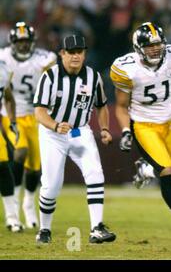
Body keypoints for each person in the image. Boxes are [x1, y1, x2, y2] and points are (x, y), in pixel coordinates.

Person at [110, 22, 171, 244]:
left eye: (158, 45)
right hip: (144, 126)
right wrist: (126, 130)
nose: (155, 50)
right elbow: (120, 106)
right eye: (149, 46)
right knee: (166, 171)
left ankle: (146, 167)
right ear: (138, 48)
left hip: (169, 125)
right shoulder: (127, 68)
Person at [33, 35, 115, 244]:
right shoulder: (50, 76)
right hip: (53, 134)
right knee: (51, 185)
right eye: (71, 52)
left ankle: (97, 227)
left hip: (80, 131)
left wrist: (104, 128)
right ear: (62, 54)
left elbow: (102, 105)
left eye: (80, 51)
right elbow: (39, 111)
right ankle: (44, 229)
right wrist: (54, 125)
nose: (76, 56)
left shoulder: (92, 76)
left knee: (95, 172)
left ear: (85, 53)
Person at [0, 22, 57, 229]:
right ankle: (13, 201)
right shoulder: (3, 58)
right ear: (13, 42)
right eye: (20, 41)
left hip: (36, 115)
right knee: (20, 151)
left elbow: (54, 76)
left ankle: (28, 203)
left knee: (35, 167)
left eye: (27, 41)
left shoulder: (44, 59)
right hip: (11, 114)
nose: (23, 46)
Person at [0, 59, 21, 232]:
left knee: (3, 168)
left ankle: (12, 217)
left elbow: (8, 97)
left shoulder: (3, 70)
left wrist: (12, 122)